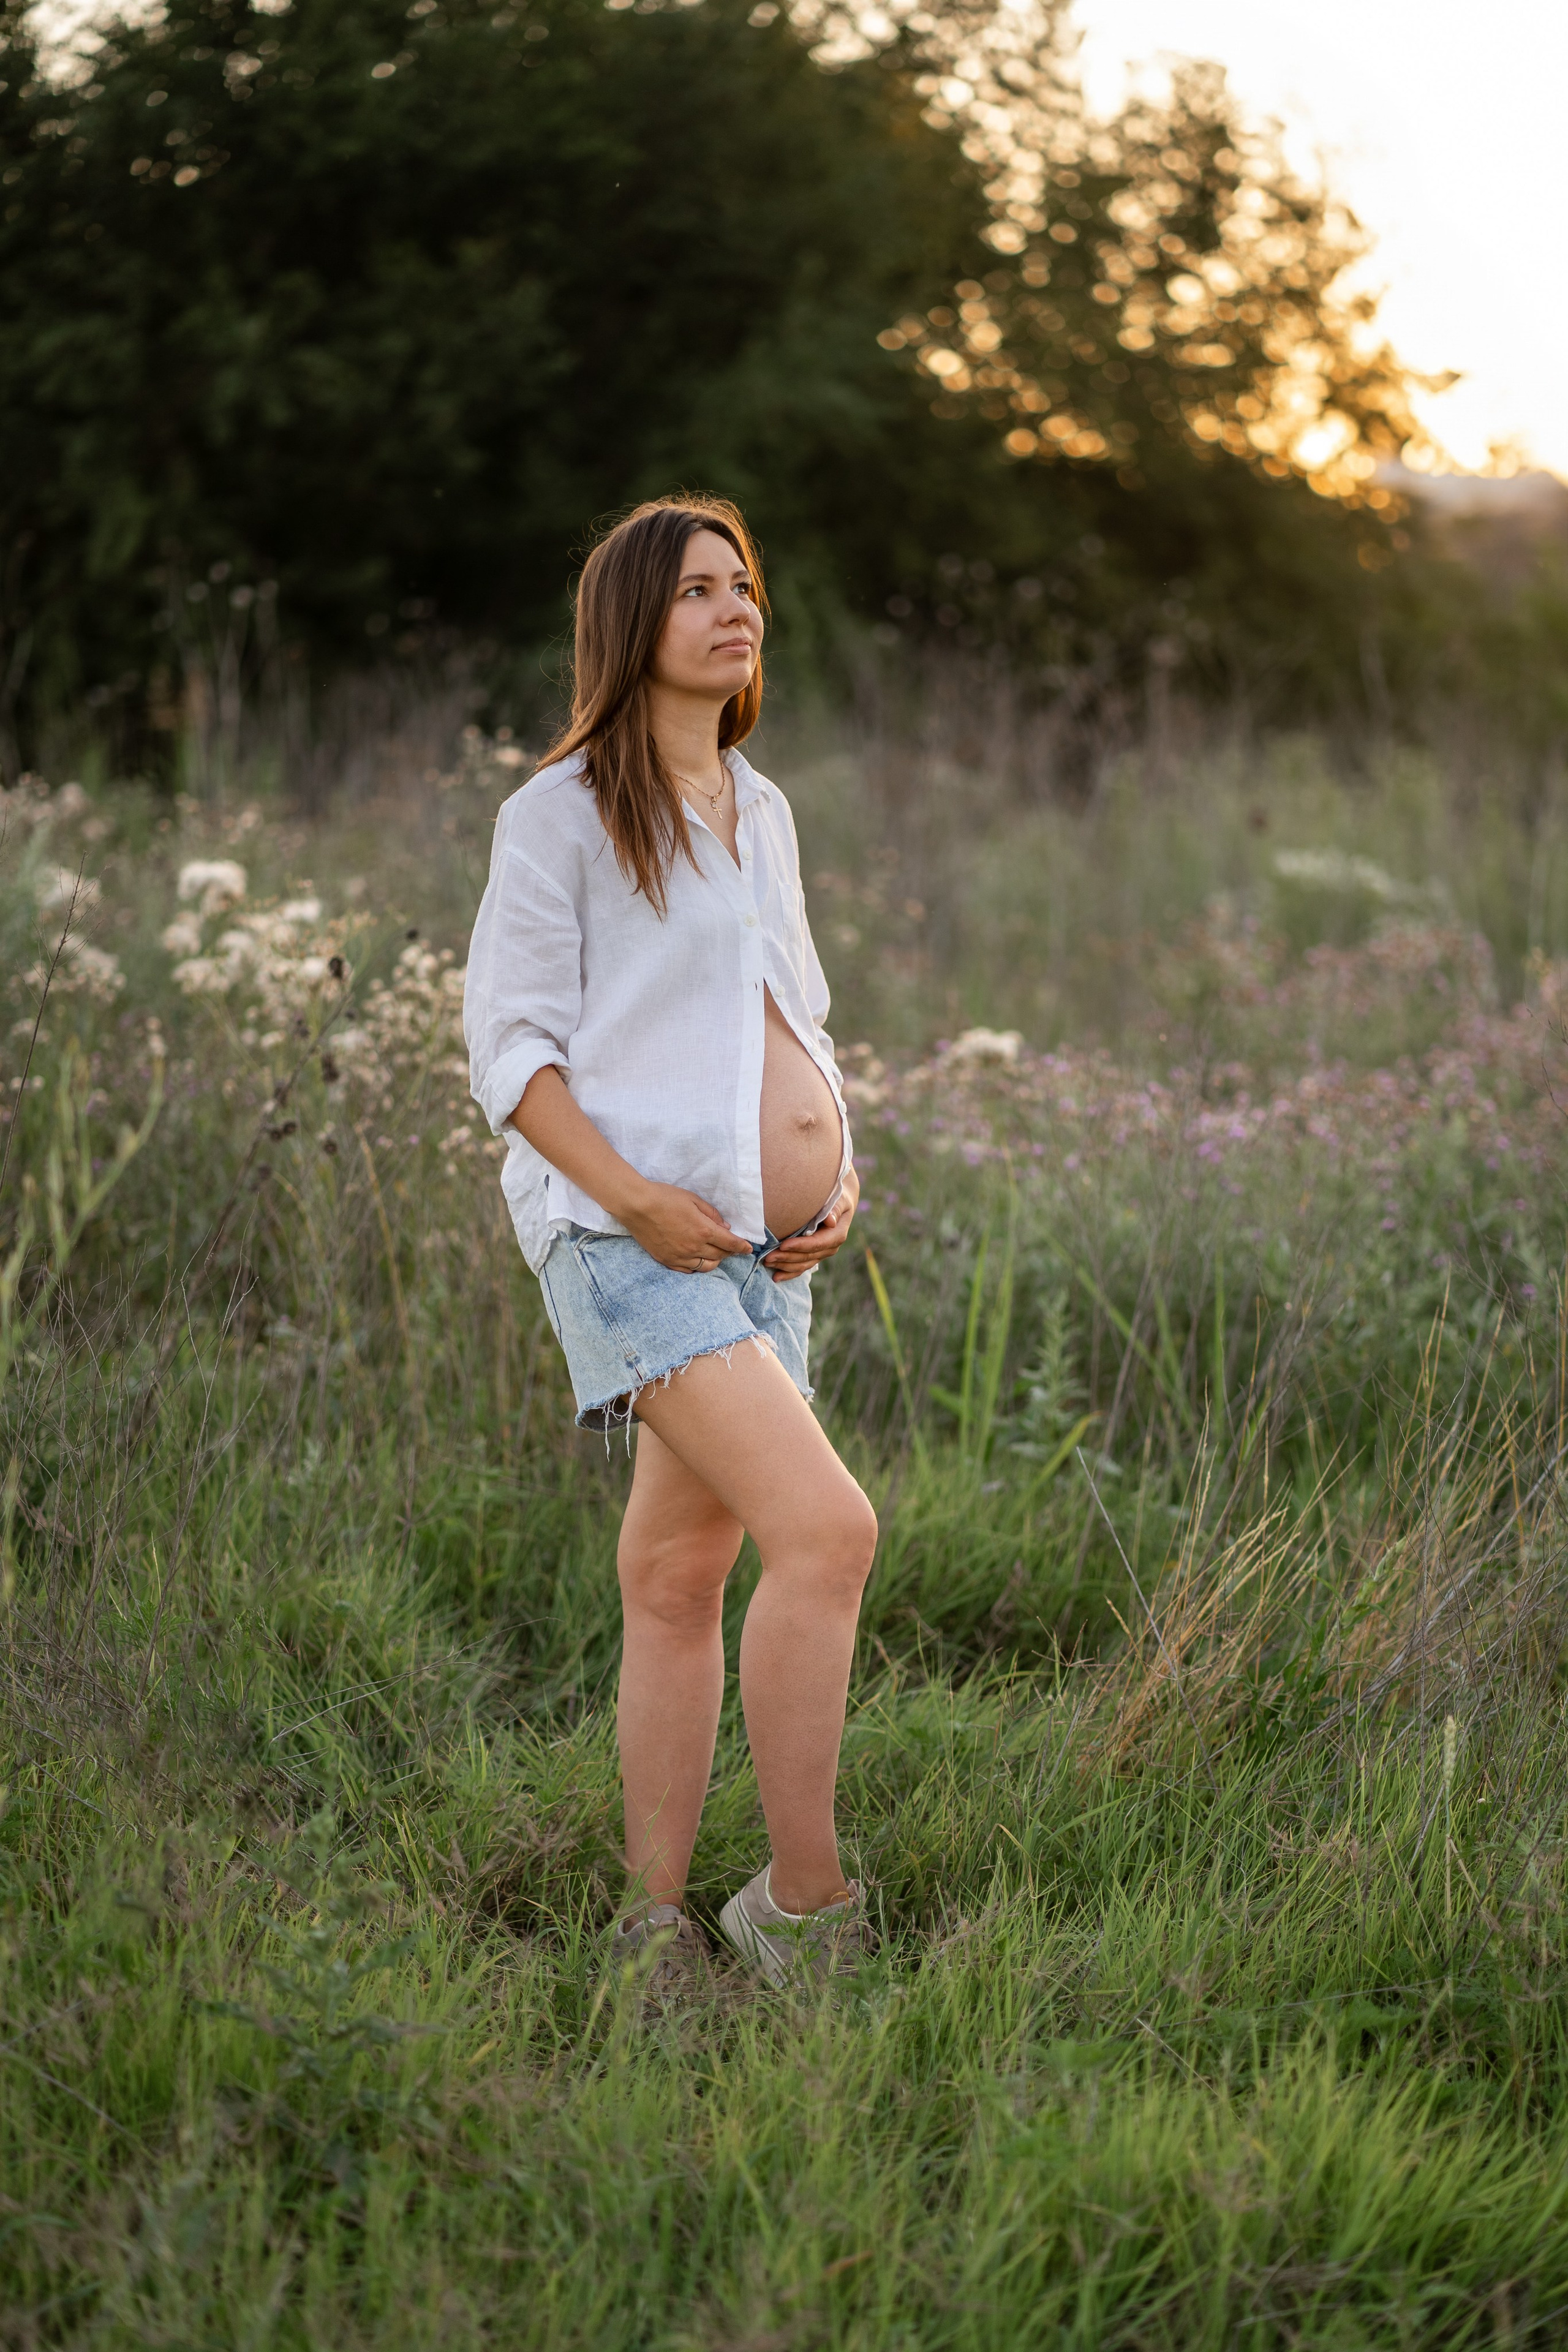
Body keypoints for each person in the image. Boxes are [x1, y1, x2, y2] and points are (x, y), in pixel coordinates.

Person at [465, 496, 878, 1991]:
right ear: (630, 623)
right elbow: (506, 1051)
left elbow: (794, 1020)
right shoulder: (560, 814)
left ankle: (649, 1929)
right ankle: (805, 1912)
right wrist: (633, 1197)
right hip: (629, 1239)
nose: (733, 607)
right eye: (696, 588)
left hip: (761, 1254)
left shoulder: (759, 811)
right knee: (828, 1535)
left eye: (744, 583)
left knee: (674, 1577)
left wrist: (835, 1176)